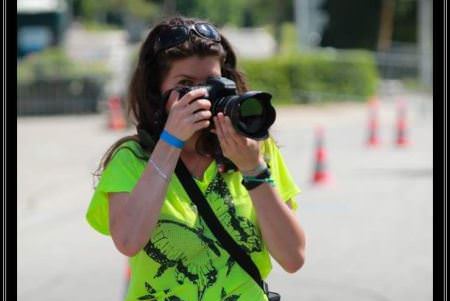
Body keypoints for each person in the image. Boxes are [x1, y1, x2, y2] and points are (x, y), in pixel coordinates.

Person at [86, 16, 306, 301]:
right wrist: (170, 142)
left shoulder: (253, 149)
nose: (204, 97)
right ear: (157, 92)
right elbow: (128, 240)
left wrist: (253, 170)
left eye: (212, 83)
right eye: (187, 84)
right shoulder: (131, 160)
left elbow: (293, 258)